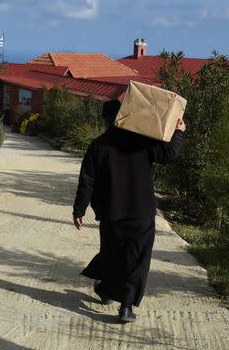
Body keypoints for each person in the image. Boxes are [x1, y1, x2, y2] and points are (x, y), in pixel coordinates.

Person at [73, 99, 186, 323]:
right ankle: (125, 307)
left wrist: (79, 209)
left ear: (105, 120)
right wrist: (178, 131)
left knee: (112, 254)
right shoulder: (141, 140)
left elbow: (87, 180)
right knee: (136, 260)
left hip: (111, 214)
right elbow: (169, 155)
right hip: (140, 212)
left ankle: (106, 290)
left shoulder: (98, 145)